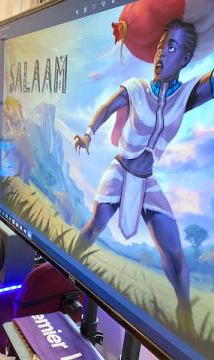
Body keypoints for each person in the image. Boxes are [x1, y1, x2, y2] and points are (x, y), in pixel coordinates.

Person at [73, 20, 213, 333]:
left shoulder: (186, 95)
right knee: (95, 224)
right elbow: (108, 108)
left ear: (186, 60)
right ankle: (65, 268)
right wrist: (88, 132)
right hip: (120, 171)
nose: (162, 54)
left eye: (172, 48)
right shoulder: (136, 88)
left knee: (175, 252)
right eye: (161, 47)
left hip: (147, 181)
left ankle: (185, 317)